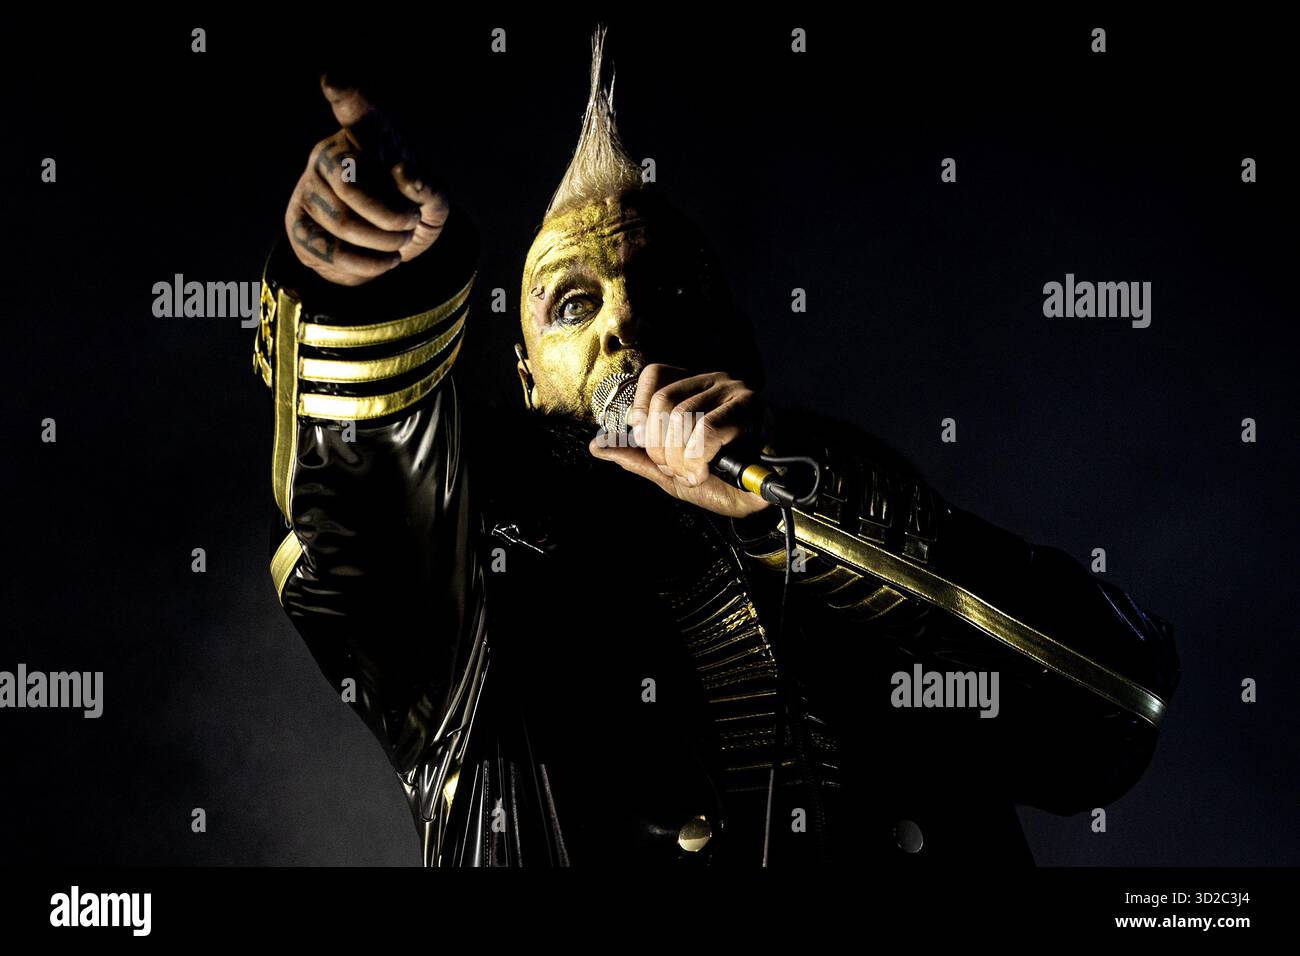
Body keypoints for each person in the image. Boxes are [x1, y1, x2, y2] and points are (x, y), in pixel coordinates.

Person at [252, 28, 1179, 867]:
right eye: (575, 304)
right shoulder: (473, 577)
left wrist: (805, 503)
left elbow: (1112, 713)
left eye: (667, 292)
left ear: (737, 351)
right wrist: (363, 285)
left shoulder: (864, 554)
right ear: (529, 377)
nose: (627, 322)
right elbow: (358, 493)